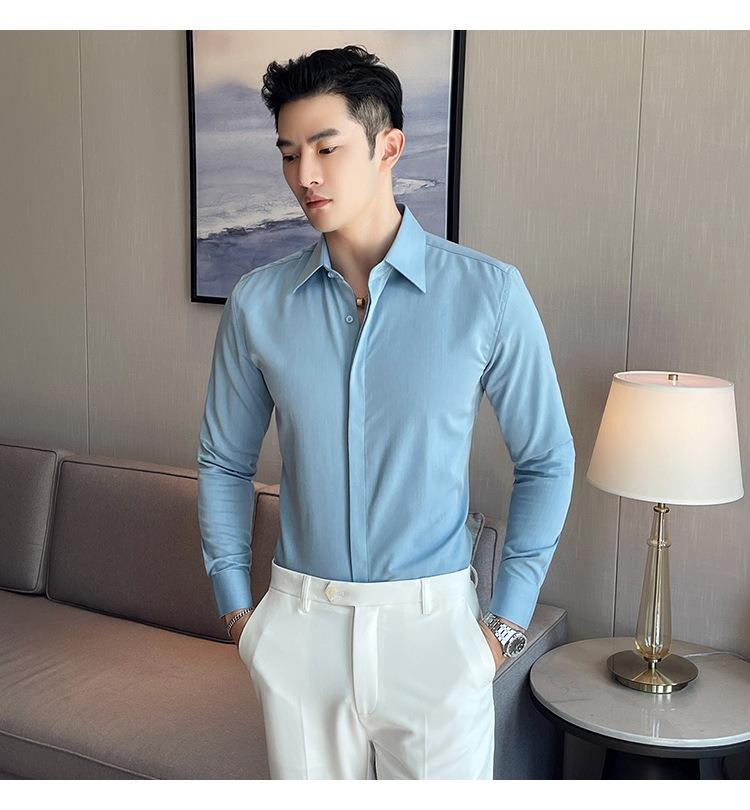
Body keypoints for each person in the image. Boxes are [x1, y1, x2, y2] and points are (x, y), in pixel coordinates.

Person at [196, 44, 575, 779]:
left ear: (389, 147)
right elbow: (222, 461)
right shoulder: (257, 304)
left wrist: (503, 628)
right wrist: (239, 613)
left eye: (326, 148)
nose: (303, 176)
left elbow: (547, 458)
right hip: (299, 629)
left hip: (435, 637)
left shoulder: (488, 294)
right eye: (288, 154)